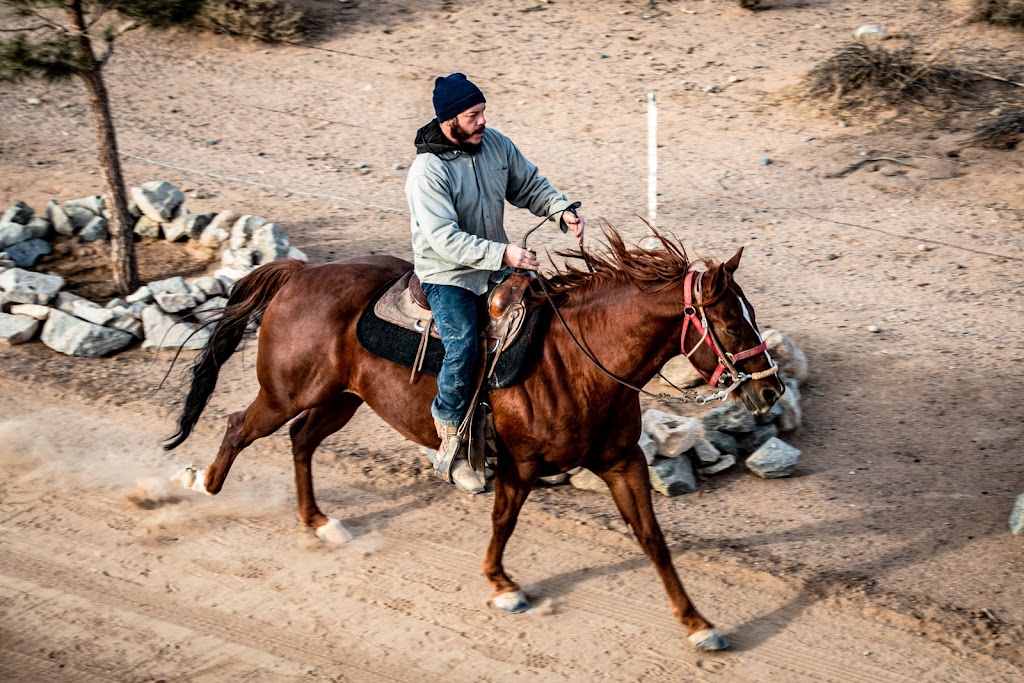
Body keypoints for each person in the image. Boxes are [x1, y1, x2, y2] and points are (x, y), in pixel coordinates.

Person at [405, 72, 585, 493]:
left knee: (546, 322)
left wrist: (561, 210)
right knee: (465, 342)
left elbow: (528, 184)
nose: (483, 120)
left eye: (483, 111)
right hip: (447, 274)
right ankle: (450, 435)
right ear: (449, 119)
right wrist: (503, 254)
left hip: (494, 266)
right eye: (473, 114)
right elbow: (443, 239)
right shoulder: (427, 171)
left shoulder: (495, 145)